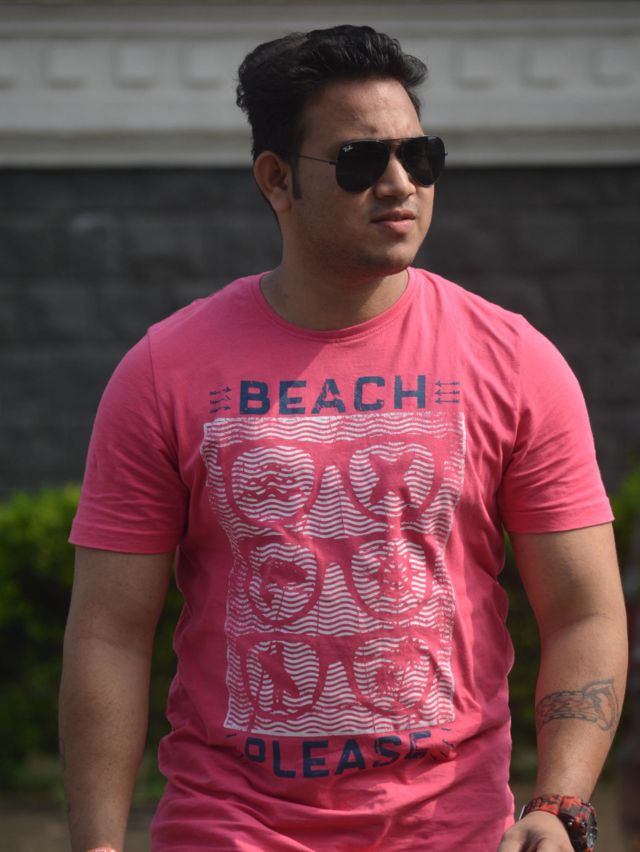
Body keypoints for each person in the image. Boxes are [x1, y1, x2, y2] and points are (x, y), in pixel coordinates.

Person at [59, 24, 628, 852]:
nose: (400, 184)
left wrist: (560, 802)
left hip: (454, 833)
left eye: (420, 157)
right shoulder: (165, 369)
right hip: (230, 829)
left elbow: (584, 611)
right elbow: (109, 632)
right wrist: (98, 845)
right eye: (361, 161)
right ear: (277, 180)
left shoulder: (514, 361)